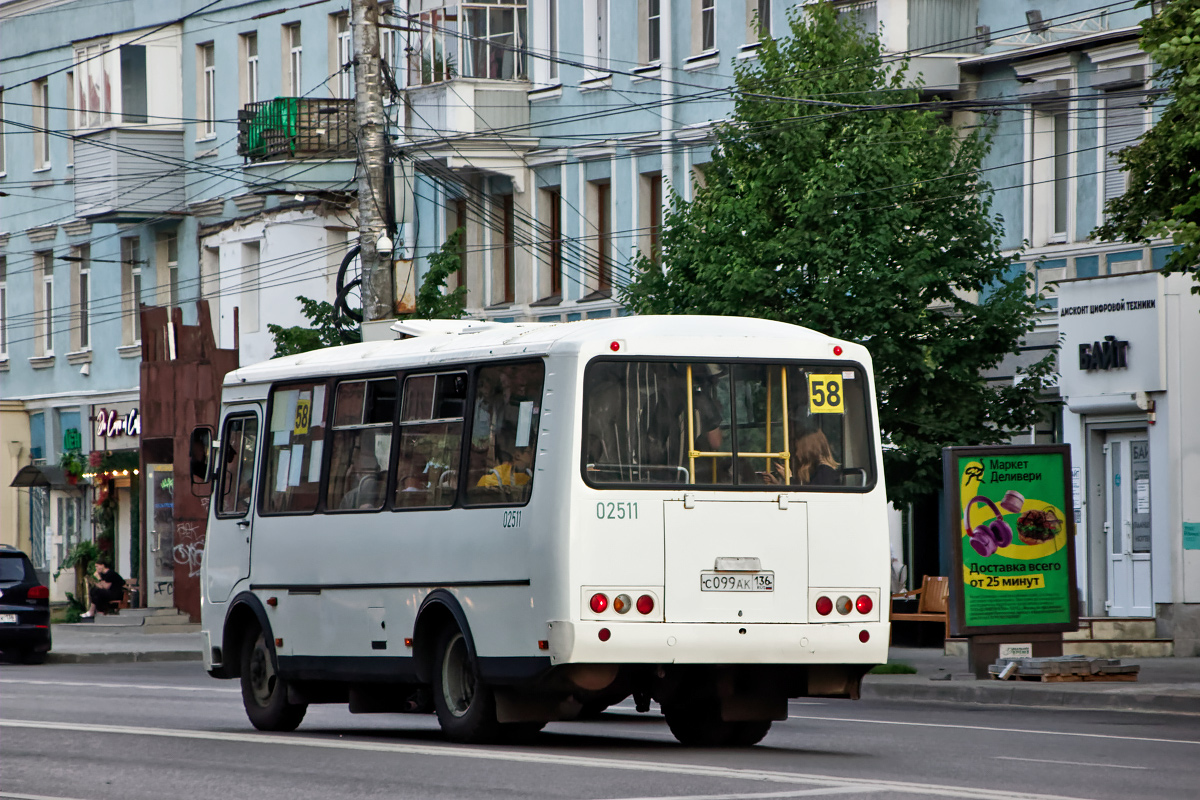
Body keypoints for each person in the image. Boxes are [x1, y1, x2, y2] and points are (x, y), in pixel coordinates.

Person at [760, 429, 841, 486]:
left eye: (799, 449)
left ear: (808, 451)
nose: (797, 454)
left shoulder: (824, 473)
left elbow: (806, 498)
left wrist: (789, 478)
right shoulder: (823, 472)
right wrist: (777, 483)